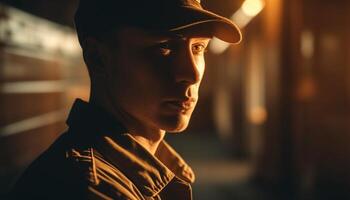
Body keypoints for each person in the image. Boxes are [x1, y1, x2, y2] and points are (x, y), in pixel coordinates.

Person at [10, 0, 241, 199]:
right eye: (164, 47)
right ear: (98, 58)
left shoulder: (134, 173)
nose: (192, 74)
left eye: (199, 47)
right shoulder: (88, 189)